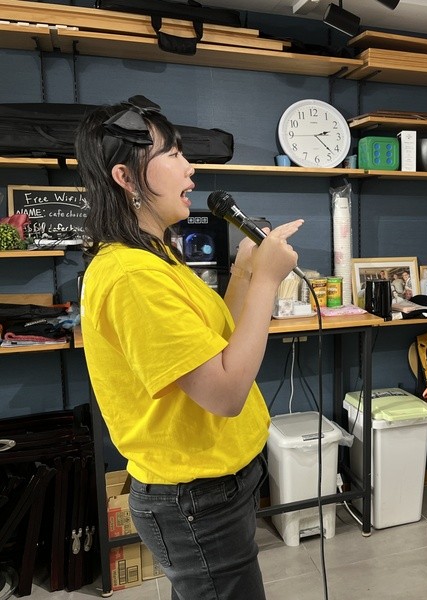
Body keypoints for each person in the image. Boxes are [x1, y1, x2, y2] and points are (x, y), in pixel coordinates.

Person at [76, 95, 303, 600]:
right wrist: (268, 281)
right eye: (174, 154)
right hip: (195, 497)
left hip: (216, 482)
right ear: (126, 178)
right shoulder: (131, 275)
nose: (190, 167)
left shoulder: (157, 255)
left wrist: (245, 270)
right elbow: (225, 393)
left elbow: (219, 341)